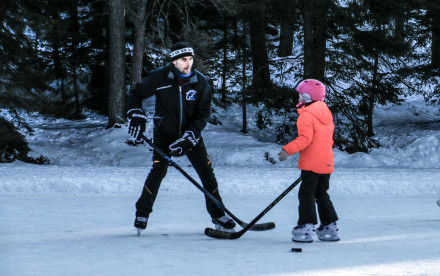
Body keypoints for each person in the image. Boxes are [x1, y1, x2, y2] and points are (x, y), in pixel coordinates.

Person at [126, 41, 236, 235]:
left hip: (190, 135)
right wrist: (136, 114)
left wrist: (191, 135)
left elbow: (203, 113)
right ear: (174, 61)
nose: (188, 63)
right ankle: (142, 213)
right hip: (164, 134)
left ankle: (218, 213)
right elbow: (135, 94)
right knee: (158, 172)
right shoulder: (159, 77)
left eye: (191, 59)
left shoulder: (200, 82)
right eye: (184, 59)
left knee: (207, 173)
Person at [278, 79, 339, 243]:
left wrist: (287, 150)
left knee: (306, 194)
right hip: (326, 162)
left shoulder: (306, 116)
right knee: (321, 193)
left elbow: (305, 139)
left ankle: (306, 226)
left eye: (300, 96)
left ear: (306, 97)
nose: (298, 99)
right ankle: (329, 226)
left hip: (312, 163)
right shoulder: (326, 114)